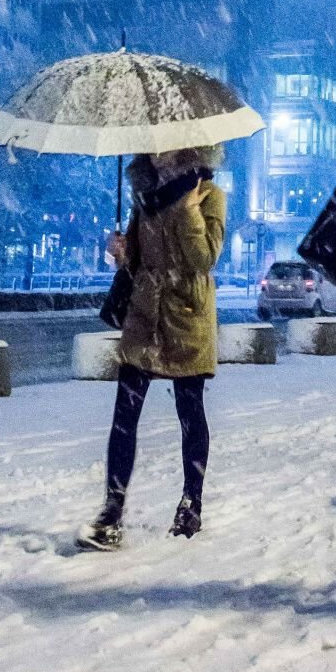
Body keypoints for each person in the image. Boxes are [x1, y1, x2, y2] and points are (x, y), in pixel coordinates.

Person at [76, 146, 227, 551]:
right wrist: (123, 254)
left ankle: (191, 502)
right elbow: (139, 262)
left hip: (187, 313)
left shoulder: (208, 194)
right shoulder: (144, 194)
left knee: (189, 411)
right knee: (124, 414)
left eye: (169, 145)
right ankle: (111, 511)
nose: (160, 153)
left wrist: (187, 209)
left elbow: (203, 258)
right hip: (144, 315)